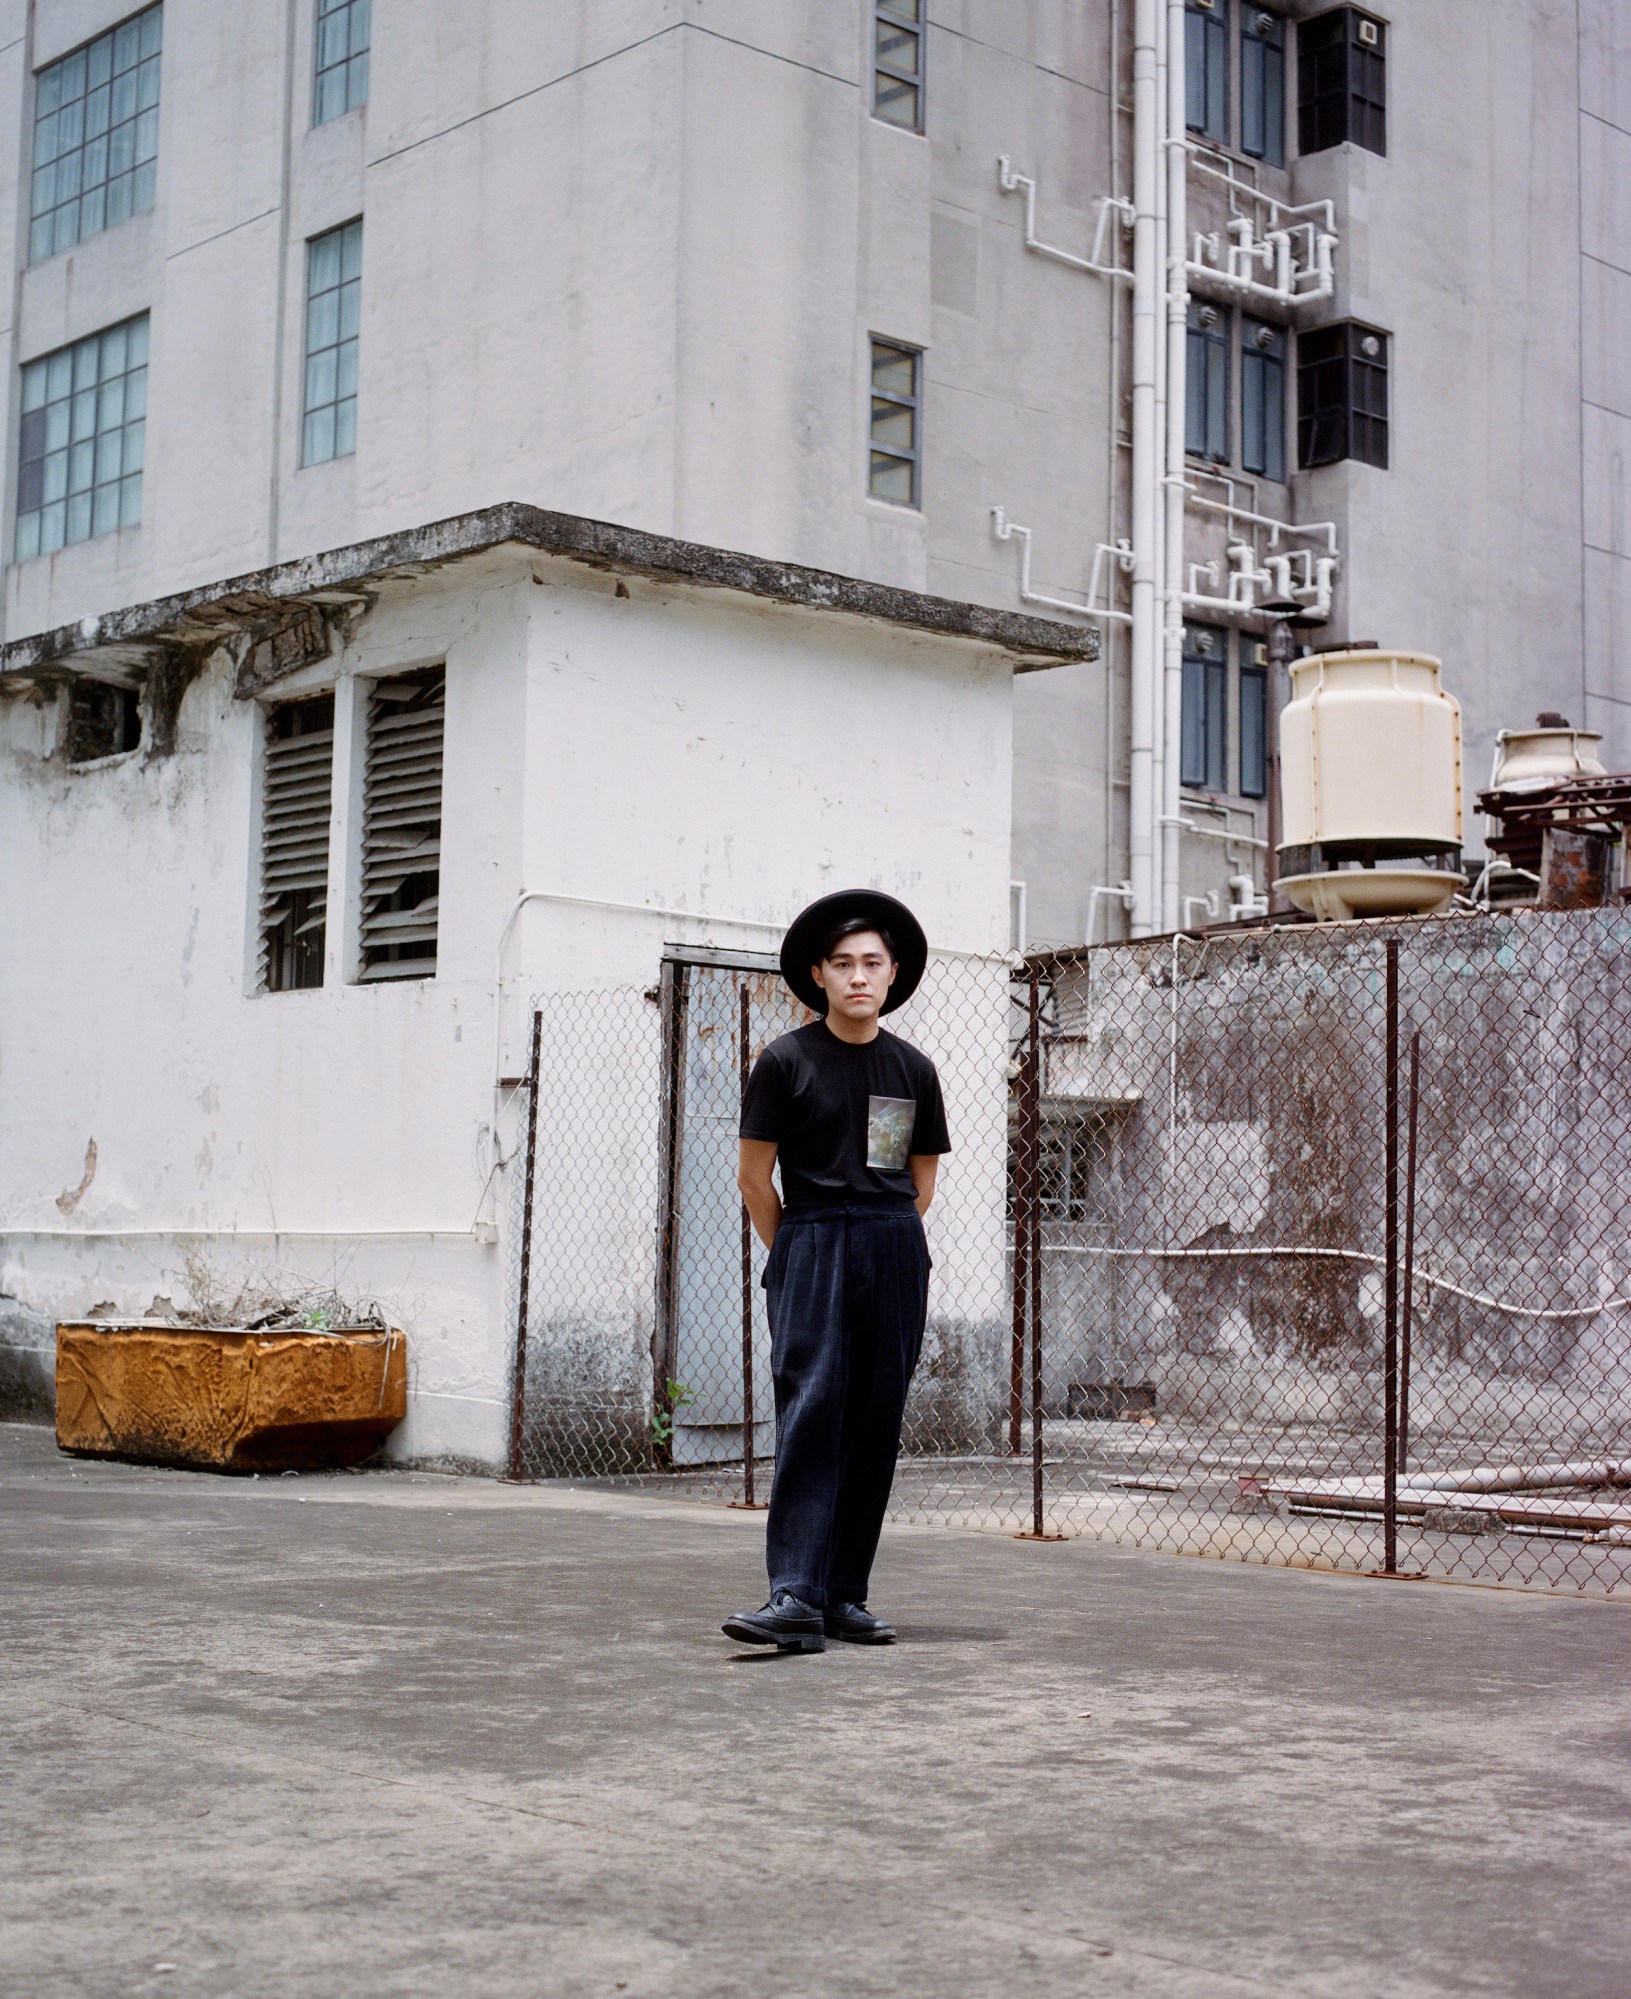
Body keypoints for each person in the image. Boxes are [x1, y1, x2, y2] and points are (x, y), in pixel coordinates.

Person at [723, 890, 950, 1652]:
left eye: (872, 964)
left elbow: (918, 1180)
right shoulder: (785, 1061)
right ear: (818, 974)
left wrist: (883, 1242)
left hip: (891, 1246)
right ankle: (793, 1593)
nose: (858, 977)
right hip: (812, 1240)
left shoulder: (912, 1069)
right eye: (843, 964)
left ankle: (844, 1596)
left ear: (892, 975)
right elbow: (756, 1178)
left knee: (873, 1420)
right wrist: (798, 1251)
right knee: (812, 1412)